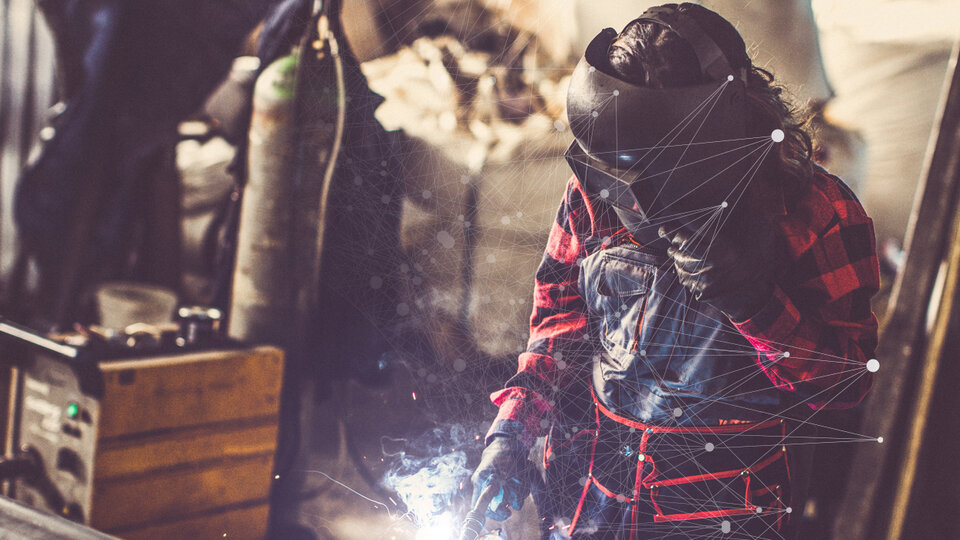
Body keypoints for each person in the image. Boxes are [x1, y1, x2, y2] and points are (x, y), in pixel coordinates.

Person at [469, 3, 880, 539]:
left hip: (721, 509)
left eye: (651, 168)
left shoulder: (814, 213)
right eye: (616, 168)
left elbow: (845, 385)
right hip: (590, 492)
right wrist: (512, 433)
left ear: (722, 132)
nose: (627, 194)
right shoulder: (596, 189)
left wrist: (755, 306)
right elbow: (558, 329)